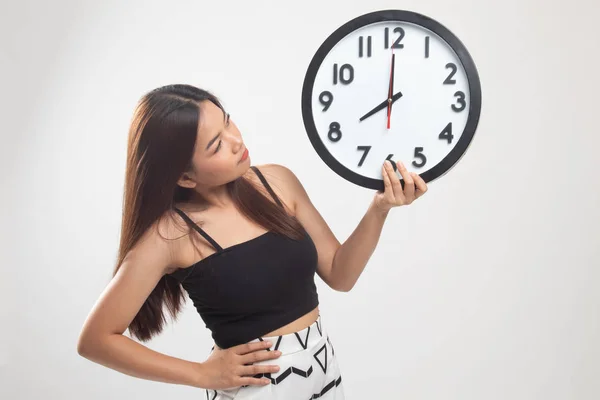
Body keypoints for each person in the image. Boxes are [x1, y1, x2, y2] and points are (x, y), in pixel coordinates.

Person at [76, 84, 428, 399]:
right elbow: (95, 340)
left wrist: (380, 208)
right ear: (184, 176)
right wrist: (200, 374)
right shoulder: (171, 234)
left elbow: (341, 274)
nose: (236, 141)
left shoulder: (278, 182)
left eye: (227, 122)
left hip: (324, 374)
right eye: (216, 145)